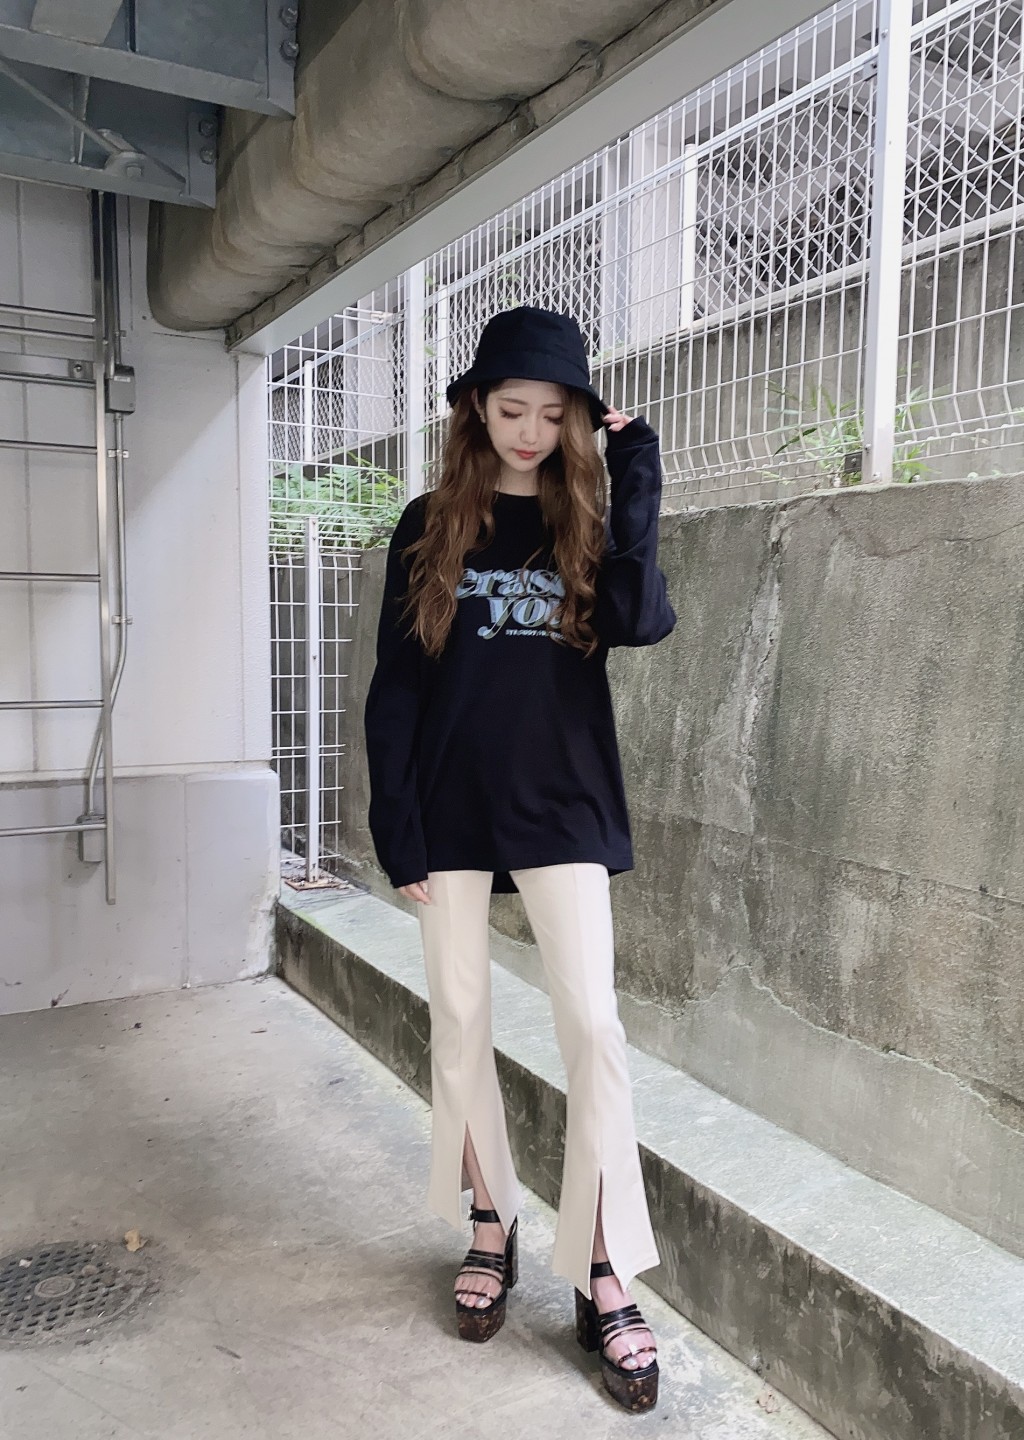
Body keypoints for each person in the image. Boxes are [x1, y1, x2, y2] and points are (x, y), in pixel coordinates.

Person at [363, 305, 676, 1413]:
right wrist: (394, 819)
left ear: (577, 419)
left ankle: (603, 1266)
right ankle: (489, 1219)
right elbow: (397, 685)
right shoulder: (428, 523)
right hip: (449, 803)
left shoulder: (584, 512)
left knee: (594, 1027)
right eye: (512, 410)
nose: (532, 431)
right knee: (459, 1020)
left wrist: (635, 476)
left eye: (553, 413)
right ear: (476, 412)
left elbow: (638, 619)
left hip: (564, 802)